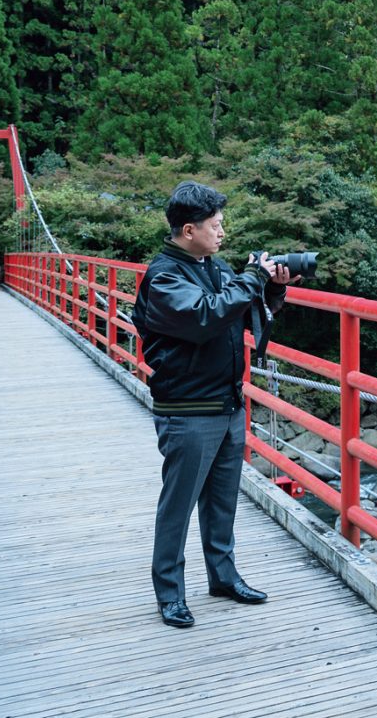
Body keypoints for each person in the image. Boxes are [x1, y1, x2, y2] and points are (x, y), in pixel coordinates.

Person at [131, 180, 298, 628]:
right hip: (187, 409)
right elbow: (205, 317)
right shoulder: (164, 276)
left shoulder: (215, 266)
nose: (223, 232)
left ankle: (223, 578)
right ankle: (169, 594)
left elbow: (241, 310)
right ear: (189, 229)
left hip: (227, 402)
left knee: (222, 502)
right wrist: (251, 278)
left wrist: (273, 290)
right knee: (178, 505)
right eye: (216, 225)